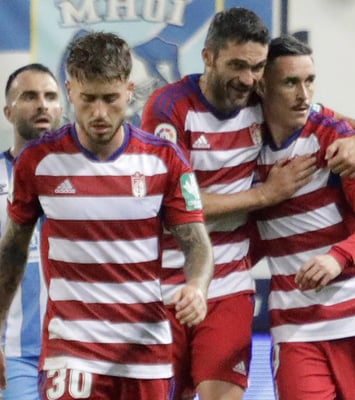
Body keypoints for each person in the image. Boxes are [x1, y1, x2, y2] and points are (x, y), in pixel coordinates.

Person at [141, 7, 355, 400]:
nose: (248, 79)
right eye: (237, 65)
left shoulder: (259, 97)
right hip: (165, 283)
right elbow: (170, 209)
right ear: (208, 57)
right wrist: (265, 195)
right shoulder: (170, 108)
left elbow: (329, 120)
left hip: (229, 284)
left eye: (257, 67)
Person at [0, 31, 214, 400]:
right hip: (70, 355)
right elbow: (13, 250)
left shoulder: (165, 160)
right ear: (70, 92)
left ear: (129, 91)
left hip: (145, 356)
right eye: (88, 99)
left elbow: (196, 243)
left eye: (110, 98)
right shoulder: (37, 162)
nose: (99, 113)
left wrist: (197, 286)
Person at [252, 34, 355, 400]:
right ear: (262, 86)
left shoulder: (334, 138)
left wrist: (336, 258)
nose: (303, 95)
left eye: (310, 81)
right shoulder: (243, 144)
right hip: (295, 327)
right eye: (290, 82)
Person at [0, 63, 63, 400]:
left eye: (50, 96)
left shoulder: (87, 176)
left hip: (76, 350)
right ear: (8, 112)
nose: (42, 105)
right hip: (13, 355)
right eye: (29, 96)